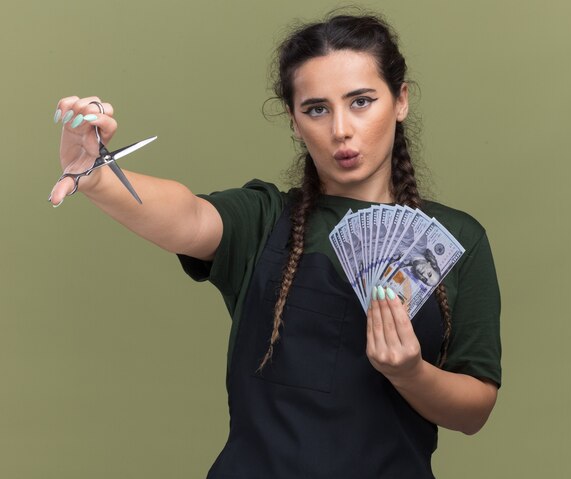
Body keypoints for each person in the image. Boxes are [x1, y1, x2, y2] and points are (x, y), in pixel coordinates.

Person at [50, 12, 501, 479]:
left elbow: (474, 411)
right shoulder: (265, 219)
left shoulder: (456, 240)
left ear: (400, 100)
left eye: (362, 101)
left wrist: (410, 372)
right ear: (294, 119)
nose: (341, 129)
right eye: (317, 109)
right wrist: (96, 175)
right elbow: (186, 216)